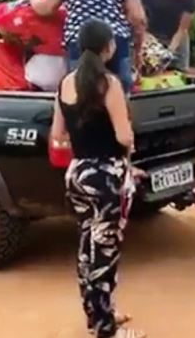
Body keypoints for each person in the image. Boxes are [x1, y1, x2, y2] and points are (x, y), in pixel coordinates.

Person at [49, 19, 143, 338]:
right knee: (104, 252)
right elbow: (124, 135)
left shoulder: (65, 83)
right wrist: (125, 144)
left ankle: (100, 315)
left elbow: (58, 136)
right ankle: (105, 330)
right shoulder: (109, 84)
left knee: (88, 249)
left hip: (77, 174)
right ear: (108, 47)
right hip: (106, 178)